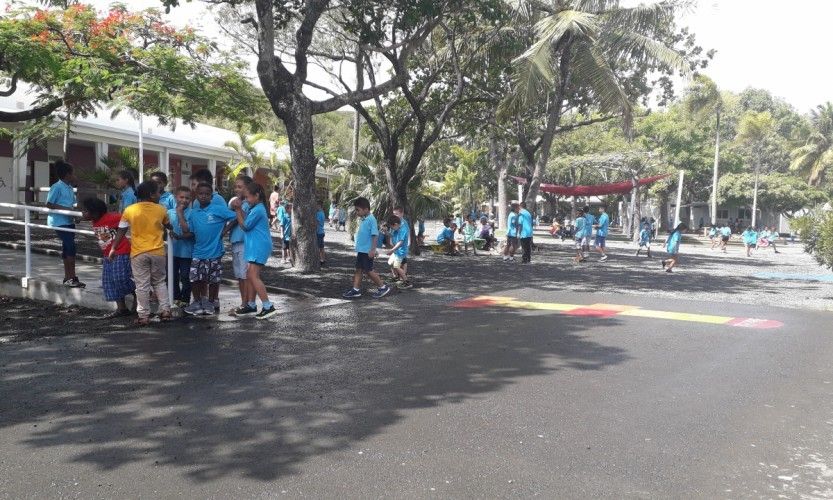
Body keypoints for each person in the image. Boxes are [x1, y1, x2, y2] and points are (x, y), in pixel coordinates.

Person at [110, 180, 172, 325]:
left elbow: (121, 231)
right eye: (158, 192)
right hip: (158, 252)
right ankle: (165, 310)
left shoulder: (130, 210)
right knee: (159, 282)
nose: (159, 194)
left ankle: (144, 316)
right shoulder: (161, 209)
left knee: (142, 285)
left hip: (138, 253)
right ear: (151, 195)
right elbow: (168, 225)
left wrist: (114, 248)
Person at [178, 183, 237, 316]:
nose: (203, 196)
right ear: (196, 195)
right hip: (198, 252)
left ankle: (211, 302)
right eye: (201, 194)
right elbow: (190, 231)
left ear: (211, 196)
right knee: (194, 278)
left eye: (207, 194)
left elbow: (235, 217)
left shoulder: (217, 209)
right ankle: (198, 302)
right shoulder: (193, 213)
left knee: (213, 280)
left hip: (214, 252)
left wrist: (225, 231)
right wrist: (179, 235)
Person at [81, 197, 135, 318]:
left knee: (120, 278)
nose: (83, 213)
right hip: (107, 255)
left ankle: (137, 290)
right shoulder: (95, 221)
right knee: (109, 281)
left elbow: (125, 220)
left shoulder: (111, 218)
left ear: (95, 212)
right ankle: (121, 308)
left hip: (121, 252)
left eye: (85, 211)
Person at [230, 182, 277, 319]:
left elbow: (244, 226)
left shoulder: (258, 210)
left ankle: (268, 306)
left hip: (259, 246)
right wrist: (241, 210)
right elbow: (247, 220)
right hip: (254, 245)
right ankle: (251, 304)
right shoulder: (256, 208)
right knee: (250, 274)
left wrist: (238, 210)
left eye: (247, 197)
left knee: (252, 276)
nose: (246, 200)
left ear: (256, 196)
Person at [46, 160, 85, 288]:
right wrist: (65, 209)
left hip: (68, 221)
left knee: (67, 248)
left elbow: (73, 204)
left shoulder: (69, 188)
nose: (75, 176)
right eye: (73, 173)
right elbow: (49, 203)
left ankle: (68, 277)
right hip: (59, 222)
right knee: (71, 247)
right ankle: (72, 277)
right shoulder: (56, 187)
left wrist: (76, 214)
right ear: (67, 175)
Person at [342, 197, 391, 299]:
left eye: (358, 210)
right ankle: (356, 290)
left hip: (367, 251)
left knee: (369, 270)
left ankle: (383, 287)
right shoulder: (364, 219)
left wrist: (373, 250)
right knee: (358, 269)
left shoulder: (371, 219)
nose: (356, 212)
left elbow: (375, 235)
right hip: (362, 251)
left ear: (366, 209)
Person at [226, 175, 252, 315]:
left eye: (240, 186)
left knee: (245, 275)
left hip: (244, 243)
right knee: (239, 275)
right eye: (235, 186)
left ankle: (247, 303)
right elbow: (232, 218)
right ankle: (244, 301)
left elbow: (244, 220)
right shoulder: (236, 203)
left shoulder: (248, 204)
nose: (236, 189)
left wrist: (238, 208)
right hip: (235, 242)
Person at [167, 186, 194, 308]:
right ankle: (176, 297)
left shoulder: (192, 213)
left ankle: (185, 298)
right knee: (172, 276)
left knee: (185, 276)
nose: (184, 200)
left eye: (187, 198)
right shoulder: (169, 213)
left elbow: (186, 230)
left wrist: (180, 213)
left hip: (186, 252)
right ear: (175, 197)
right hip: (172, 251)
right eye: (181, 197)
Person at [386, 215, 412, 289]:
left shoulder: (403, 230)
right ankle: (396, 277)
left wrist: (392, 250)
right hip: (396, 251)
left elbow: (400, 242)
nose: (391, 229)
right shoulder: (396, 229)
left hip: (401, 252)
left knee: (396, 266)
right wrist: (385, 232)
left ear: (396, 224)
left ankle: (407, 282)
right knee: (390, 263)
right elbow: (391, 235)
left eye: (392, 227)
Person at [392, 206, 411, 281]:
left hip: (402, 246)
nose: (394, 215)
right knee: (394, 262)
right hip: (396, 246)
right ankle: (396, 276)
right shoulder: (395, 222)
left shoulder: (404, 223)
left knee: (403, 262)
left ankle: (403, 277)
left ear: (402, 213)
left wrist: (409, 242)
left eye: (396, 214)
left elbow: (408, 233)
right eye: (394, 214)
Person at [316, 200, 327, 266]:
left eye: (316, 205)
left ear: (319, 205)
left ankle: (321, 259)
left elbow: (316, 222)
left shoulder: (319, 213)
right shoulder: (322, 213)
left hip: (319, 232)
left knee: (319, 247)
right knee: (321, 247)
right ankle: (323, 259)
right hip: (321, 231)